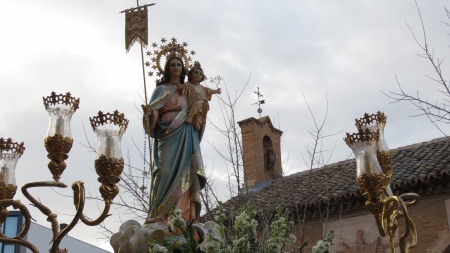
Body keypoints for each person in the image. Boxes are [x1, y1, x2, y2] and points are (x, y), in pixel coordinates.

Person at [142, 56, 206, 224]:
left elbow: (200, 107)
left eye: (179, 64)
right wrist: (150, 112)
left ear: (184, 69)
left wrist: (199, 114)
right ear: (167, 68)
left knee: (187, 172)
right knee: (165, 171)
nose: (176, 67)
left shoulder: (188, 89)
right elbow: (154, 113)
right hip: (167, 134)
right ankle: (159, 215)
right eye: (172, 65)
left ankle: (182, 215)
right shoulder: (161, 89)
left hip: (187, 134)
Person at [181, 62, 221, 132]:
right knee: (197, 107)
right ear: (191, 74)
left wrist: (216, 91)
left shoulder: (202, 87)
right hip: (190, 104)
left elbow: (209, 91)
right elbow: (182, 89)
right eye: (196, 72)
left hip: (202, 104)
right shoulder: (187, 84)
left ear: (202, 77)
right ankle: (194, 120)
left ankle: (195, 120)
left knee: (199, 106)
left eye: (200, 74)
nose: (198, 75)